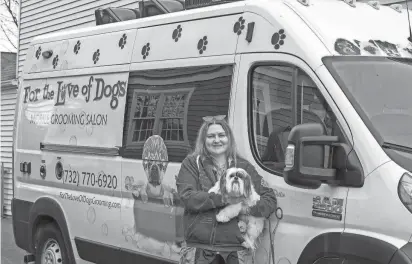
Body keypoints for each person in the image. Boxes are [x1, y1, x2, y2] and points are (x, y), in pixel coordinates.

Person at [176, 115, 277, 264]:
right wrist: (224, 199)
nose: (217, 140)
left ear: (229, 138)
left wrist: (245, 208)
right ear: (204, 140)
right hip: (201, 247)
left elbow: (270, 199)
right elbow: (188, 197)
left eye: (221, 135)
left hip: (236, 249)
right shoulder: (191, 163)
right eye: (211, 136)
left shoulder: (244, 167)